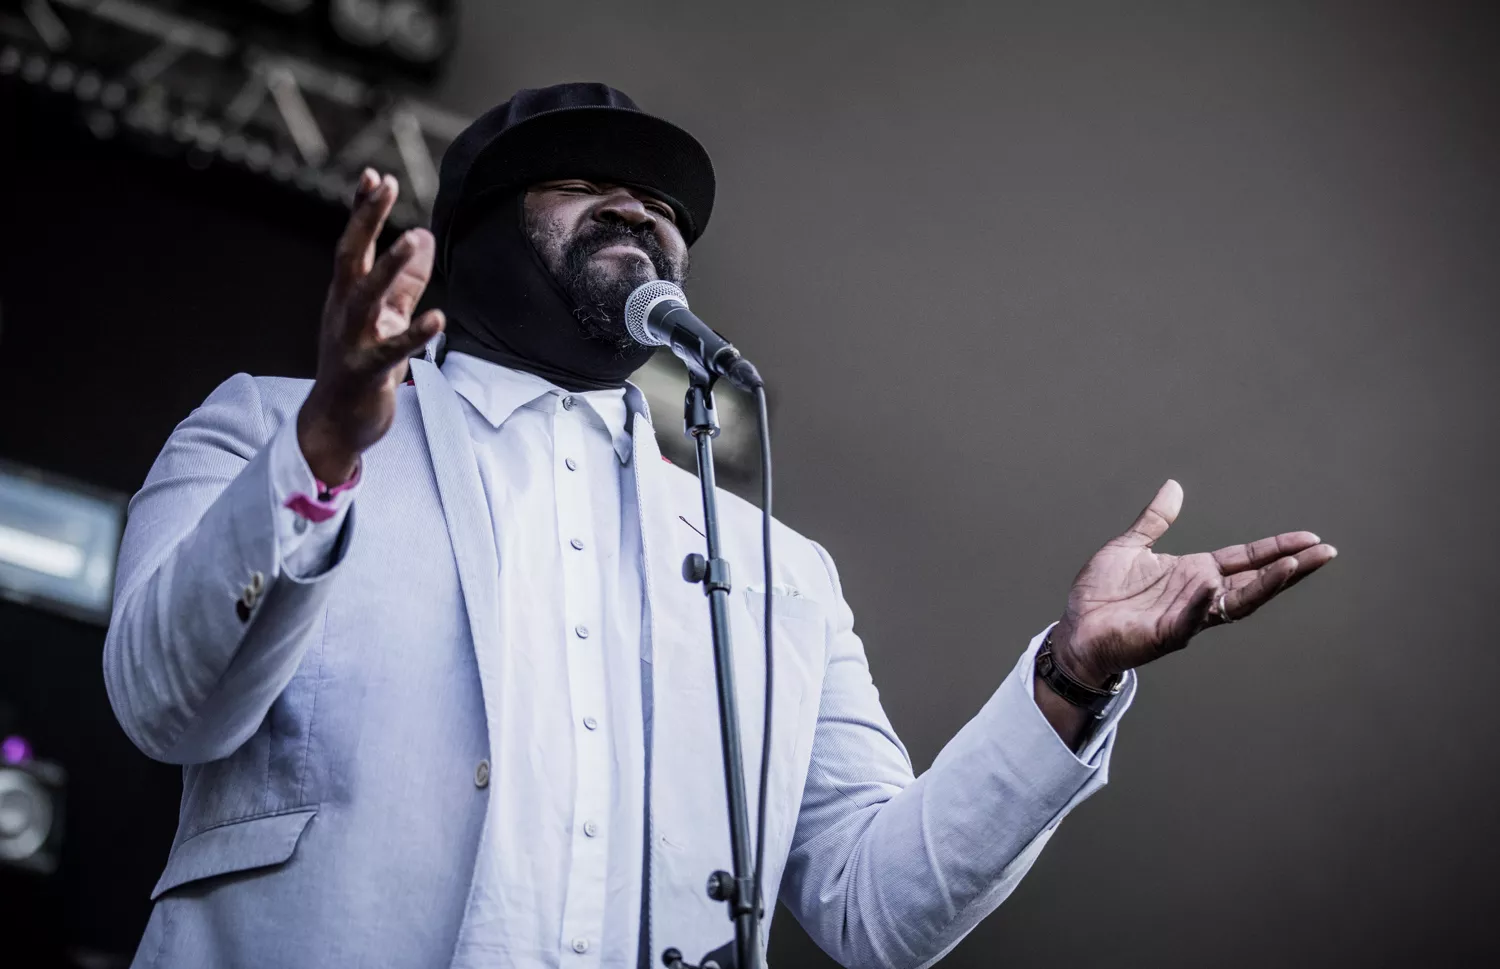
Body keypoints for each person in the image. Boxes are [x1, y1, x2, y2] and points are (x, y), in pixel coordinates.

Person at [103, 83, 1336, 969]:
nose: (637, 209)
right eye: (585, 182)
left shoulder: (774, 566)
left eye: (660, 203)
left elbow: (875, 905)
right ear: (476, 230)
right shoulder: (267, 428)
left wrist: (1069, 678)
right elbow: (165, 705)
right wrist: (324, 450)